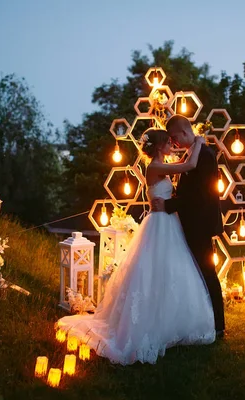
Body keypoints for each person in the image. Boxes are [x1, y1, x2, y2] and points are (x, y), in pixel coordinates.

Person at [56, 128, 215, 365]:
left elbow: (182, 163)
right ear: (160, 146)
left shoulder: (161, 164)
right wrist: (199, 142)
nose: (172, 144)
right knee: (156, 268)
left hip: (168, 221)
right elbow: (189, 165)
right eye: (168, 142)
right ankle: (152, 322)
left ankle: (171, 321)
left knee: (171, 268)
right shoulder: (154, 167)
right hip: (160, 223)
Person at [150, 114, 225, 337]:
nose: (173, 143)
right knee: (195, 272)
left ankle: (218, 326)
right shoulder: (194, 152)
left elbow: (201, 194)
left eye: (174, 137)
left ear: (184, 132)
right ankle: (200, 318)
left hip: (200, 223)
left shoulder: (205, 155)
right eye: (169, 140)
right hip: (190, 222)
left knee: (207, 272)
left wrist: (169, 204)